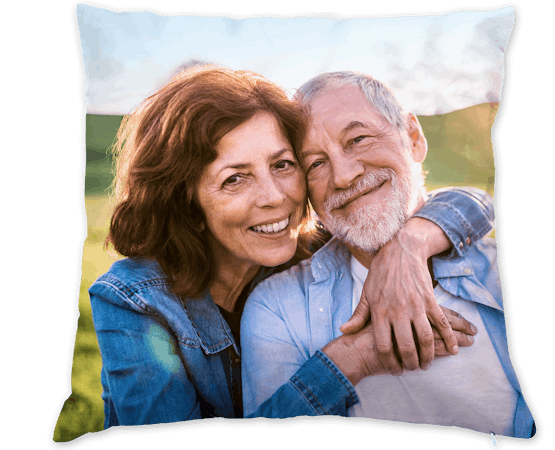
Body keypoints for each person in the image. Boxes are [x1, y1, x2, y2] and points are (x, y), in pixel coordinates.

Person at [89, 67, 493, 426]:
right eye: (235, 179)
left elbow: (469, 202)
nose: (275, 197)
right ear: (186, 202)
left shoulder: (307, 248)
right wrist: (353, 357)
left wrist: (409, 244)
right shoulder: (135, 301)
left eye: (283, 165)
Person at [241, 71, 535, 438]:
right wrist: (353, 359)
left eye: (358, 139)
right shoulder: (278, 308)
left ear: (413, 138)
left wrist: (407, 247)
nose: (344, 176)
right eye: (315, 163)